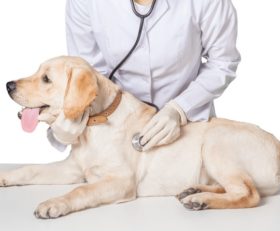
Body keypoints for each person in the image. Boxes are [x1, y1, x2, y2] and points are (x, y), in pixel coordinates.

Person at [48, 0, 241, 152]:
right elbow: (88, 75)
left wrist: (180, 108)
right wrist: (68, 128)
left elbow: (223, 63)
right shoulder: (86, 2)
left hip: (187, 130)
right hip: (113, 132)